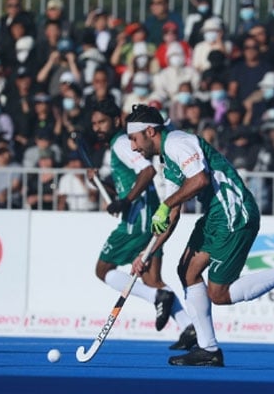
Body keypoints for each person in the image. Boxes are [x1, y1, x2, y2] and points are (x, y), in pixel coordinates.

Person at [126, 104, 274, 366]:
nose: (133, 147)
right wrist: (148, 253)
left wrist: (164, 205)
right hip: (215, 214)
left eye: (134, 139)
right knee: (187, 270)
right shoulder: (166, 159)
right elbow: (173, 212)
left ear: (149, 131)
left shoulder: (177, 142)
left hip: (234, 211)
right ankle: (208, 350)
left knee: (219, 294)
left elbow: (200, 180)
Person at [84, 102, 195, 348]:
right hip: (147, 216)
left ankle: (157, 297)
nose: (97, 128)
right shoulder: (120, 146)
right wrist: (100, 184)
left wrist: (126, 201)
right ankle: (189, 326)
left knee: (103, 269)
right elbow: (129, 183)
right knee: (152, 278)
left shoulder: (122, 143)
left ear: (115, 121)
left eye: (102, 122)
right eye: (94, 123)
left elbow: (147, 171)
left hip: (138, 220)